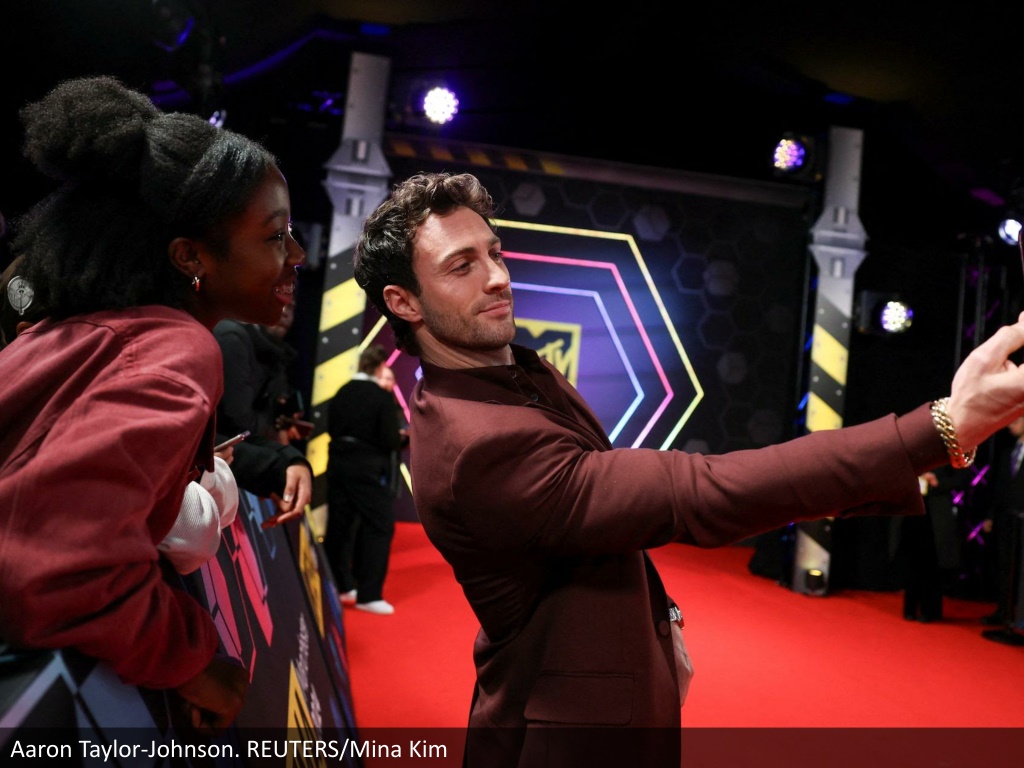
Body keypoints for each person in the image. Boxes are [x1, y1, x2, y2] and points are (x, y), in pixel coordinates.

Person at [352, 171, 1024, 767]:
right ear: (403, 302)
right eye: (461, 266)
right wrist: (943, 426)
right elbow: (702, 492)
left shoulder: (508, 375)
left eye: (494, 252)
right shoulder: (479, 448)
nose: (498, 276)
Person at [0, 75, 306, 736]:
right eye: (275, 236)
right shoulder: (177, 348)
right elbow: (60, 568)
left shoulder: (92, 330)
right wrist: (192, 660)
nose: (297, 256)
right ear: (191, 256)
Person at [324, 344, 405, 615]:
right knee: (380, 525)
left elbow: (331, 427)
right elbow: (390, 439)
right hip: (366, 468)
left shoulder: (342, 391)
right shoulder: (380, 397)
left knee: (339, 524)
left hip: (337, 463)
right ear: (379, 367)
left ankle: (339, 586)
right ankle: (369, 594)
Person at [213, 302, 313, 520]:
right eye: (280, 302)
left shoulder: (274, 354)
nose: (286, 313)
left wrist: (290, 455)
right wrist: (280, 457)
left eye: (292, 308)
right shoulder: (231, 337)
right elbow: (237, 423)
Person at [980, 415, 1024, 634]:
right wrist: (990, 516)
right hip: (1007, 518)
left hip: (1022, 518)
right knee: (1004, 565)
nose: (1009, 426)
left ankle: (1019, 615)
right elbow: (998, 487)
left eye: (1015, 421)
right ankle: (1004, 611)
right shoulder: (1008, 452)